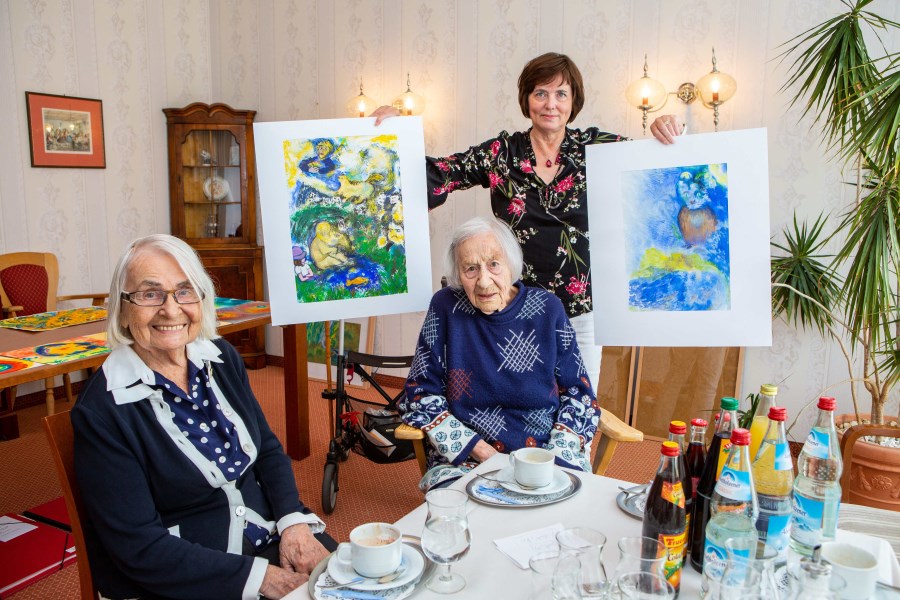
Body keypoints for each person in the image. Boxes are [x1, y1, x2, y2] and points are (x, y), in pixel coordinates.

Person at [374, 52, 685, 392]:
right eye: (540, 93)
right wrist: (394, 134)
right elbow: (437, 174)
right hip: (515, 309)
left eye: (561, 94)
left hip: (582, 313)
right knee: (520, 405)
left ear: (573, 101)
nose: (551, 104)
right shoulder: (501, 153)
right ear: (527, 100)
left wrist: (669, 128)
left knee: (579, 404)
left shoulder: (595, 148)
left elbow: (656, 167)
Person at [72, 234, 334, 600]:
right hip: (190, 573)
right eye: (150, 294)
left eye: (184, 291)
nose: (171, 309)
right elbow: (141, 548)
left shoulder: (221, 358)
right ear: (123, 307)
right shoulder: (102, 412)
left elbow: (269, 450)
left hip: (272, 533)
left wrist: (293, 523)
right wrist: (263, 578)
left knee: (366, 583)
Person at [399, 216, 599, 491]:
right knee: (462, 513)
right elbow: (419, 392)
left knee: (565, 513)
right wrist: (478, 450)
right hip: (466, 459)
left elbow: (580, 394)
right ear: (458, 275)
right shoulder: (446, 308)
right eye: (470, 269)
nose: (483, 281)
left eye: (494, 264)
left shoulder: (548, 310)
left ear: (511, 264)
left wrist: (549, 459)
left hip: (544, 454)